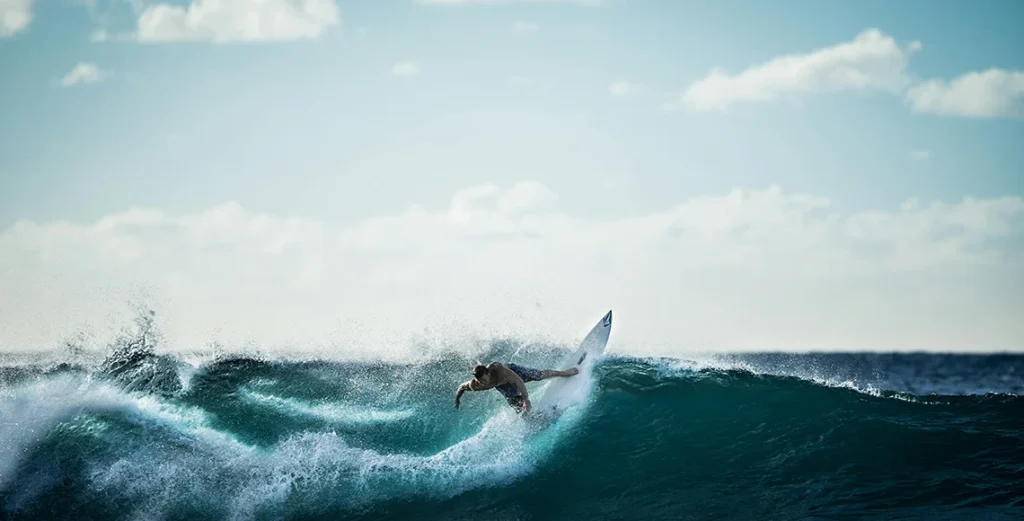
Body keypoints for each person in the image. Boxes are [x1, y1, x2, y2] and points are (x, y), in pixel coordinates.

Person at [454, 361, 579, 414]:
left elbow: (519, 381)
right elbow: (461, 387)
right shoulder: (475, 385)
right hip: (502, 386)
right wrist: (457, 399)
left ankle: (564, 372)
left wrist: (527, 399)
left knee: (538, 375)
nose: (482, 384)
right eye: (479, 381)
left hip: (513, 372)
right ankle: (535, 418)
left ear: (488, 373)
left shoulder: (499, 369)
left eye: (483, 380)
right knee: (517, 406)